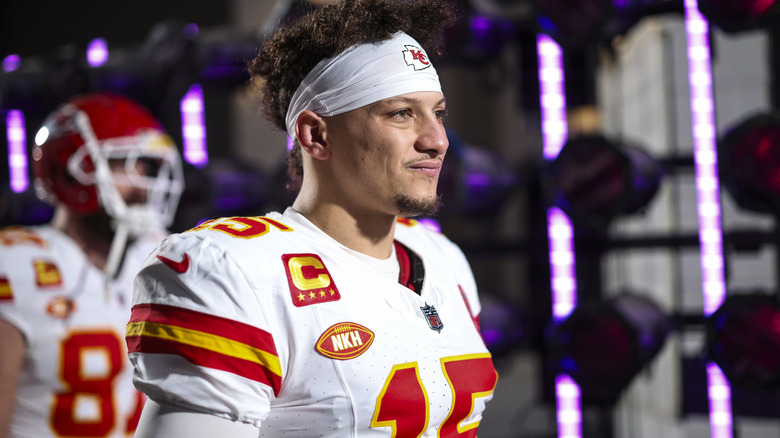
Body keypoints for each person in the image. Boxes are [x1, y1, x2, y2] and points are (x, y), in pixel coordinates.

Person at [128, 0, 499, 436]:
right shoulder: (235, 272)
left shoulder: (442, 258)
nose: (437, 139)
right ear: (316, 134)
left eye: (437, 114)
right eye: (402, 113)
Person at [0, 92, 184, 438]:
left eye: (146, 166)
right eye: (125, 164)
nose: (145, 182)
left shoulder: (159, 256)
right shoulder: (14, 264)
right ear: (73, 173)